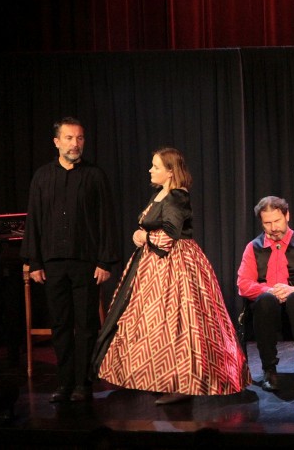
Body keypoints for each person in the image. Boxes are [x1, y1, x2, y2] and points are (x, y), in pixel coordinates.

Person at [93, 147, 250, 405]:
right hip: (152, 265)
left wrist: (145, 236)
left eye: (156, 166)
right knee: (151, 323)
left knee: (179, 322)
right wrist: (140, 235)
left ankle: (181, 383)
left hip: (175, 265)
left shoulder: (177, 196)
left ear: (170, 171)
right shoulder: (160, 193)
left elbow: (170, 234)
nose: (150, 170)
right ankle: (159, 378)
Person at [21, 117, 119, 402]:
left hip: (86, 261)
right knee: (60, 323)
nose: (75, 144)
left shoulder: (95, 175)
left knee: (86, 324)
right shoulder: (42, 176)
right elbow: (34, 219)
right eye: (69, 138)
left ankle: (83, 383)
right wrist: (35, 261)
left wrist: (105, 261)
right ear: (56, 142)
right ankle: (64, 382)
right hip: (52, 262)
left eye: (80, 138)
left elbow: (106, 219)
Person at [237, 196, 294, 392]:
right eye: (267, 223)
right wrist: (269, 290)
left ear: (287, 216)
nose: (273, 228)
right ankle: (269, 370)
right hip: (268, 309)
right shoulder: (253, 247)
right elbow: (243, 284)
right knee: (266, 300)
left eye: (277, 221)